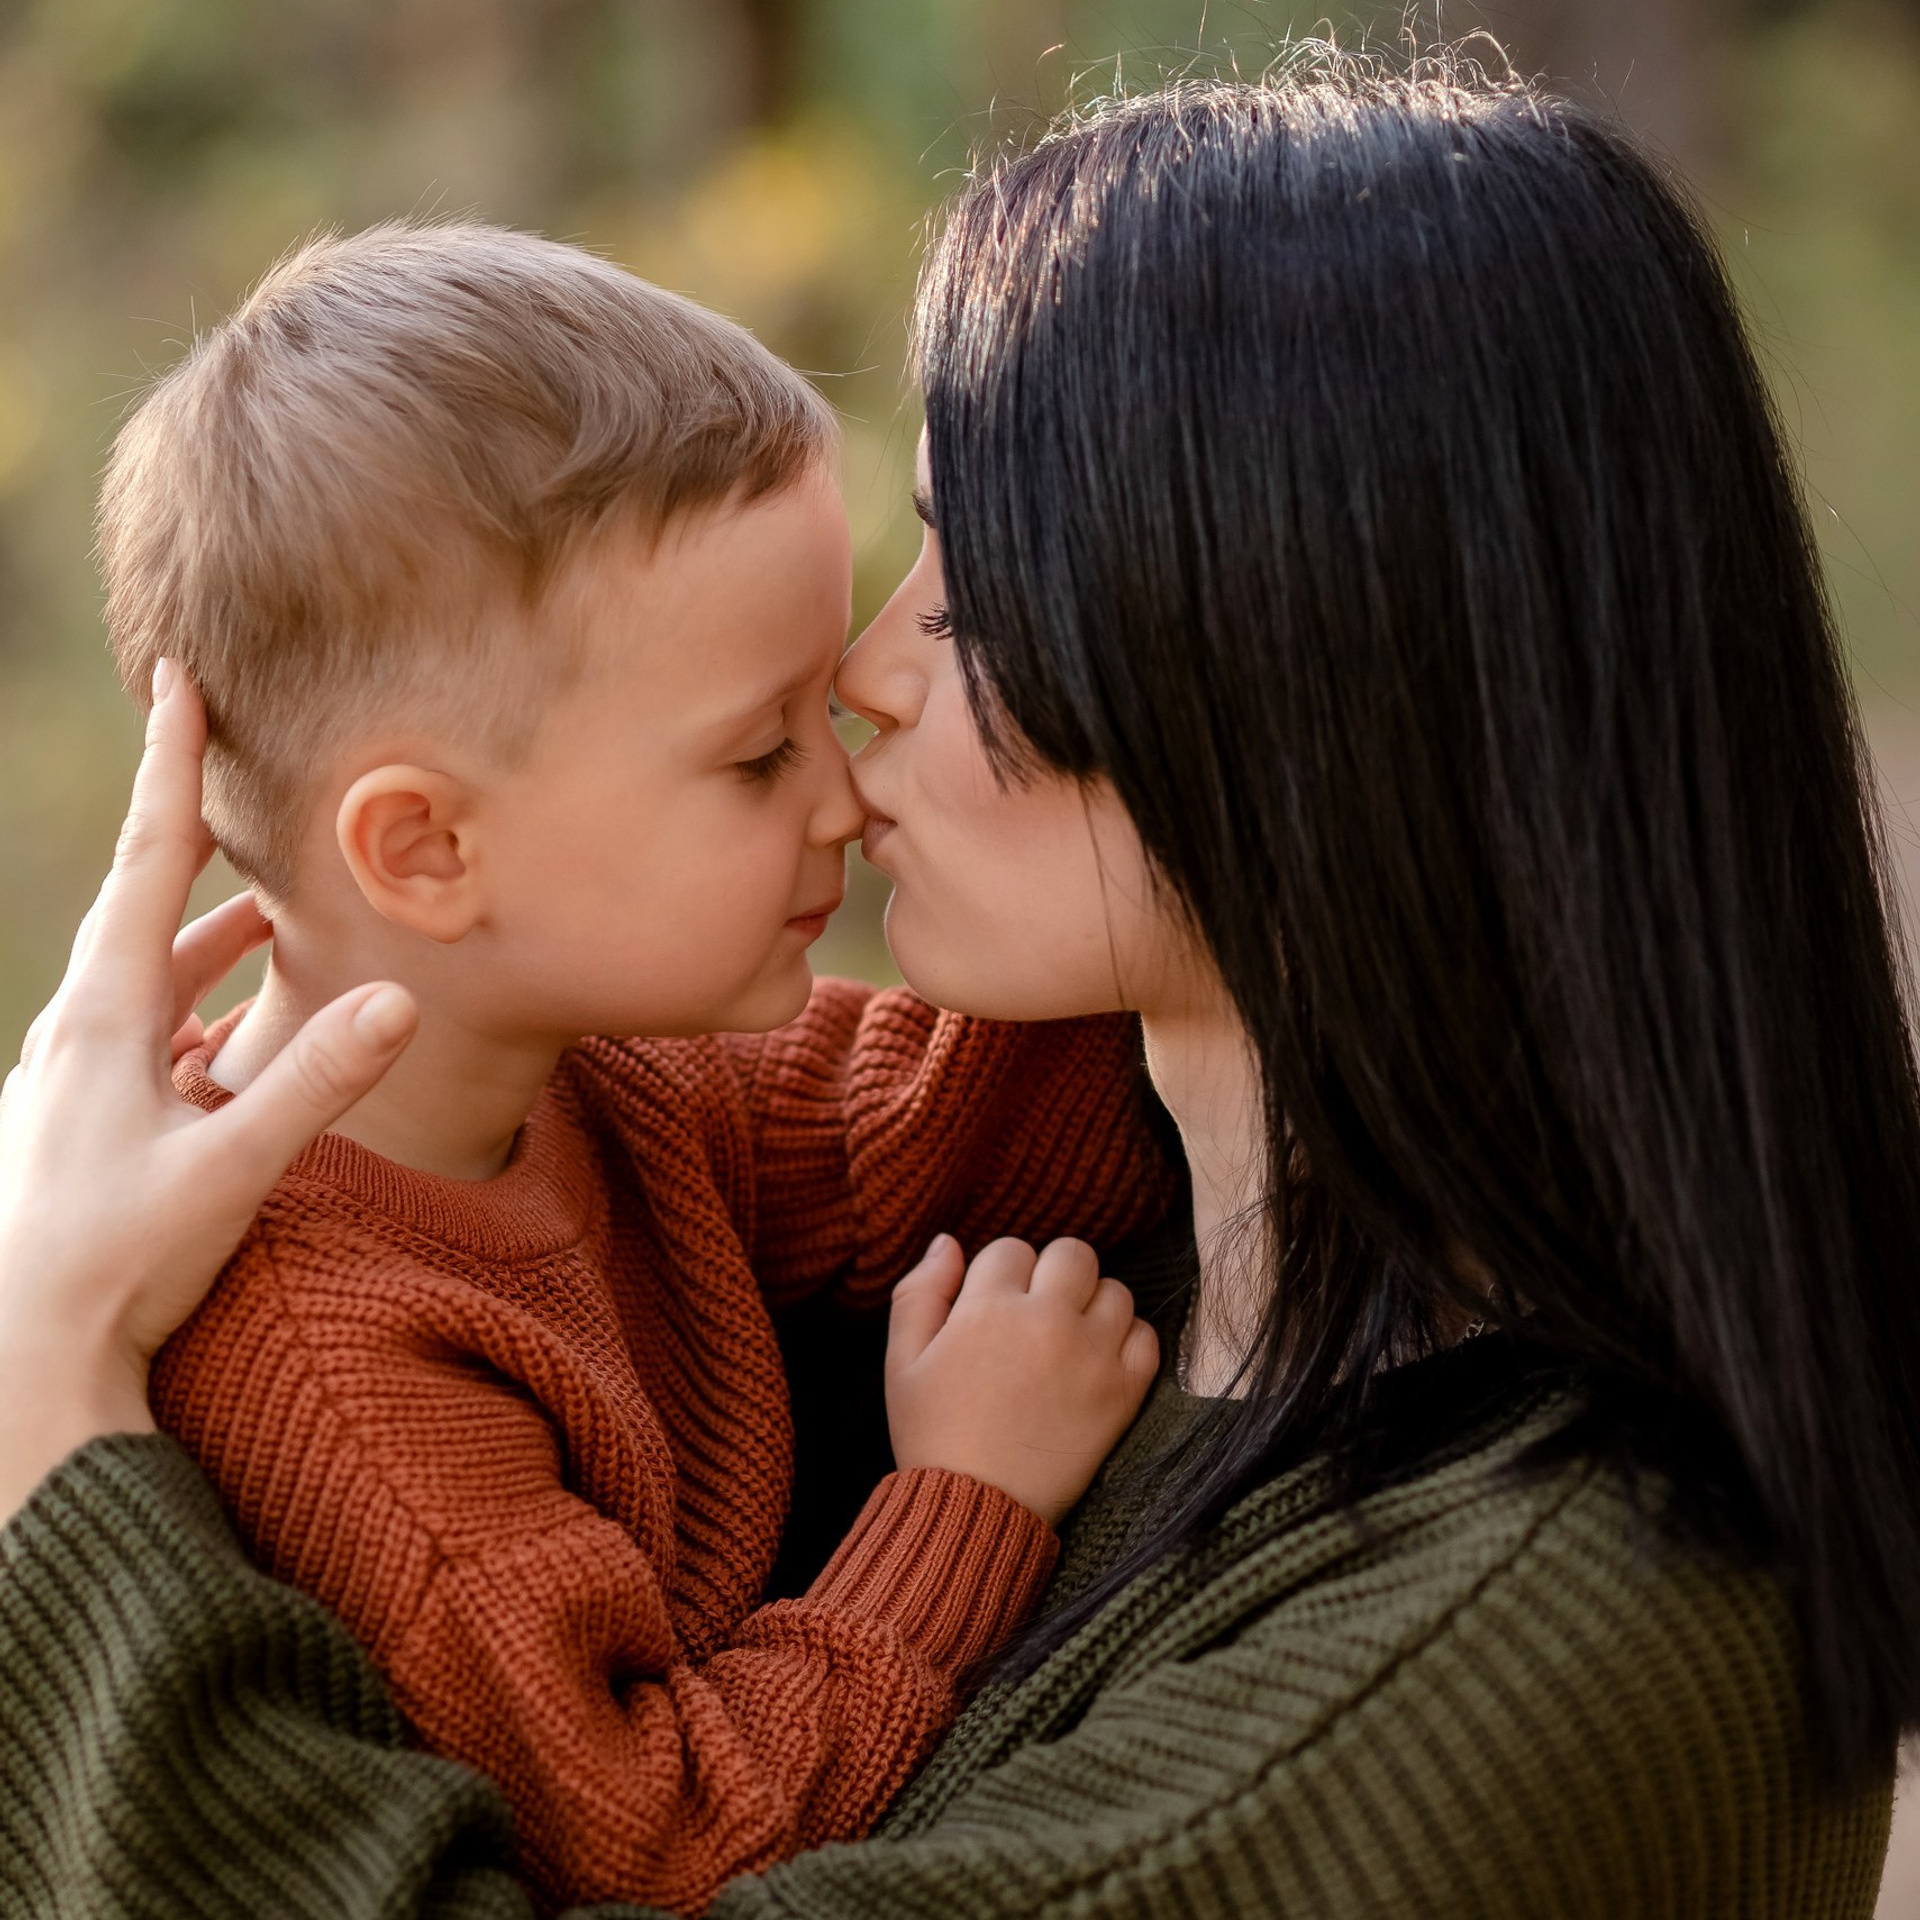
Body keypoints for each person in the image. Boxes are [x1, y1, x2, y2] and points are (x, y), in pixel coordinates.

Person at [4, 52, 1918, 1918]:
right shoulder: (1130, 1230)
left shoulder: (1521, 1639)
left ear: (1299, 666)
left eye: (979, 577)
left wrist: (41, 1432)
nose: (870, 673)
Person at [82, 223, 1171, 1914]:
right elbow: (659, 1844)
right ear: (428, 850)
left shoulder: (593, 1076)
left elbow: (947, 1114)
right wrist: (964, 1500)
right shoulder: (341, 1368)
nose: (842, 792)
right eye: (757, 752)